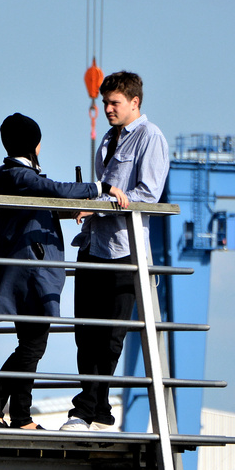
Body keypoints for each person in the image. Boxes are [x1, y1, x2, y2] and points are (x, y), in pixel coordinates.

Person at [0, 113, 127, 429]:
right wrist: (100, 187)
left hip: (28, 276)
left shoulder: (15, 178)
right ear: (35, 146)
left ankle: (18, 416)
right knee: (32, 345)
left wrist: (69, 210)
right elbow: (51, 189)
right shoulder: (13, 175)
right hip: (27, 278)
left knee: (31, 344)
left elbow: (42, 201)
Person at [64, 71, 168, 431]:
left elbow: (148, 194)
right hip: (94, 244)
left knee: (110, 336)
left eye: (114, 103)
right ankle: (100, 410)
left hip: (124, 250)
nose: (107, 108)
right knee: (85, 332)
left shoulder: (151, 138)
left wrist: (102, 203)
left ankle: (84, 409)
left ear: (134, 102)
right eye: (105, 102)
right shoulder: (109, 138)